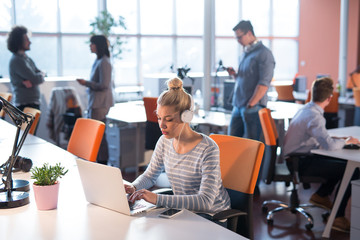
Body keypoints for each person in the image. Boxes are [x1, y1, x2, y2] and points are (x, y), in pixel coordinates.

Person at [125, 77, 230, 225]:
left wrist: (157, 199)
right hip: (184, 211)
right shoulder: (164, 142)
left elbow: (205, 201)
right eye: (159, 118)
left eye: (168, 119)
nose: (161, 125)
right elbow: (150, 176)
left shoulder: (208, 149)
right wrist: (134, 187)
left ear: (186, 116)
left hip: (211, 216)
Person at [283, 77, 360, 233]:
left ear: (312, 93)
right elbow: (329, 145)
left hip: (297, 158)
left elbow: (321, 138)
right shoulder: (315, 116)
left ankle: (322, 195)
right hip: (300, 162)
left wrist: (341, 139)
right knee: (353, 170)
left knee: (339, 163)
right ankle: (338, 217)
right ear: (330, 98)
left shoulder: (306, 109)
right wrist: (345, 142)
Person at [226, 20, 275, 141]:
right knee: (231, 142)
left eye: (240, 37)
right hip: (238, 105)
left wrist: (251, 104)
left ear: (249, 33)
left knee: (251, 146)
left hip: (252, 107)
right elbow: (244, 79)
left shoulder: (264, 54)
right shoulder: (245, 53)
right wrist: (234, 75)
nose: (238, 41)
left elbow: (264, 83)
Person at [77, 35, 114, 165]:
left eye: (92, 43)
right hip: (96, 103)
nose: (90, 46)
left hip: (100, 104)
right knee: (97, 136)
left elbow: (104, 84)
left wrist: (86, 83)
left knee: (99, 137)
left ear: (98, 45)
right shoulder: (99, 61)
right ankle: (99, 162)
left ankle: (102, 164)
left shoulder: (104, 62)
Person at [7, 25, 45, 111]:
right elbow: (35, 79)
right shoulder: (17, 60)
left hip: (32, 102)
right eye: (27, 39)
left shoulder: (26, 58)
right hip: (25, 104)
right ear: (19, 42)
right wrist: (40, 75)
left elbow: (38, 74)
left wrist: (41, 74)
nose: (30, 42)